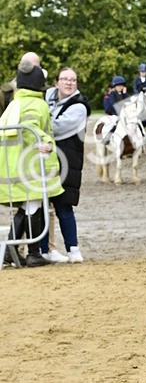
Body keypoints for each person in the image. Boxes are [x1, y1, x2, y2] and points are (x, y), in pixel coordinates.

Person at [0, 60, 64, 267]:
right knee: (33, 204)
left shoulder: (15, 103)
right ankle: (32, 253)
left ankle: (14, 251)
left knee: (28, 206)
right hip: (30, 166)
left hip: (12, 164)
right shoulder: (36, 104)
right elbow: (30, 128)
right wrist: (44, 142)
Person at [45, 68, 90, 262]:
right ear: (57, 82)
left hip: (67, 161)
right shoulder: (48, 98)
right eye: (65, 79)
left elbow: (56, 128)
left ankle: (73, 249)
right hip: (46, 160)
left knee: (64, 205)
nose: (69, 83)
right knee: (42, 206)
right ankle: (44, 249)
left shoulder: (79, 107)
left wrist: (39, 123)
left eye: (73, 80)